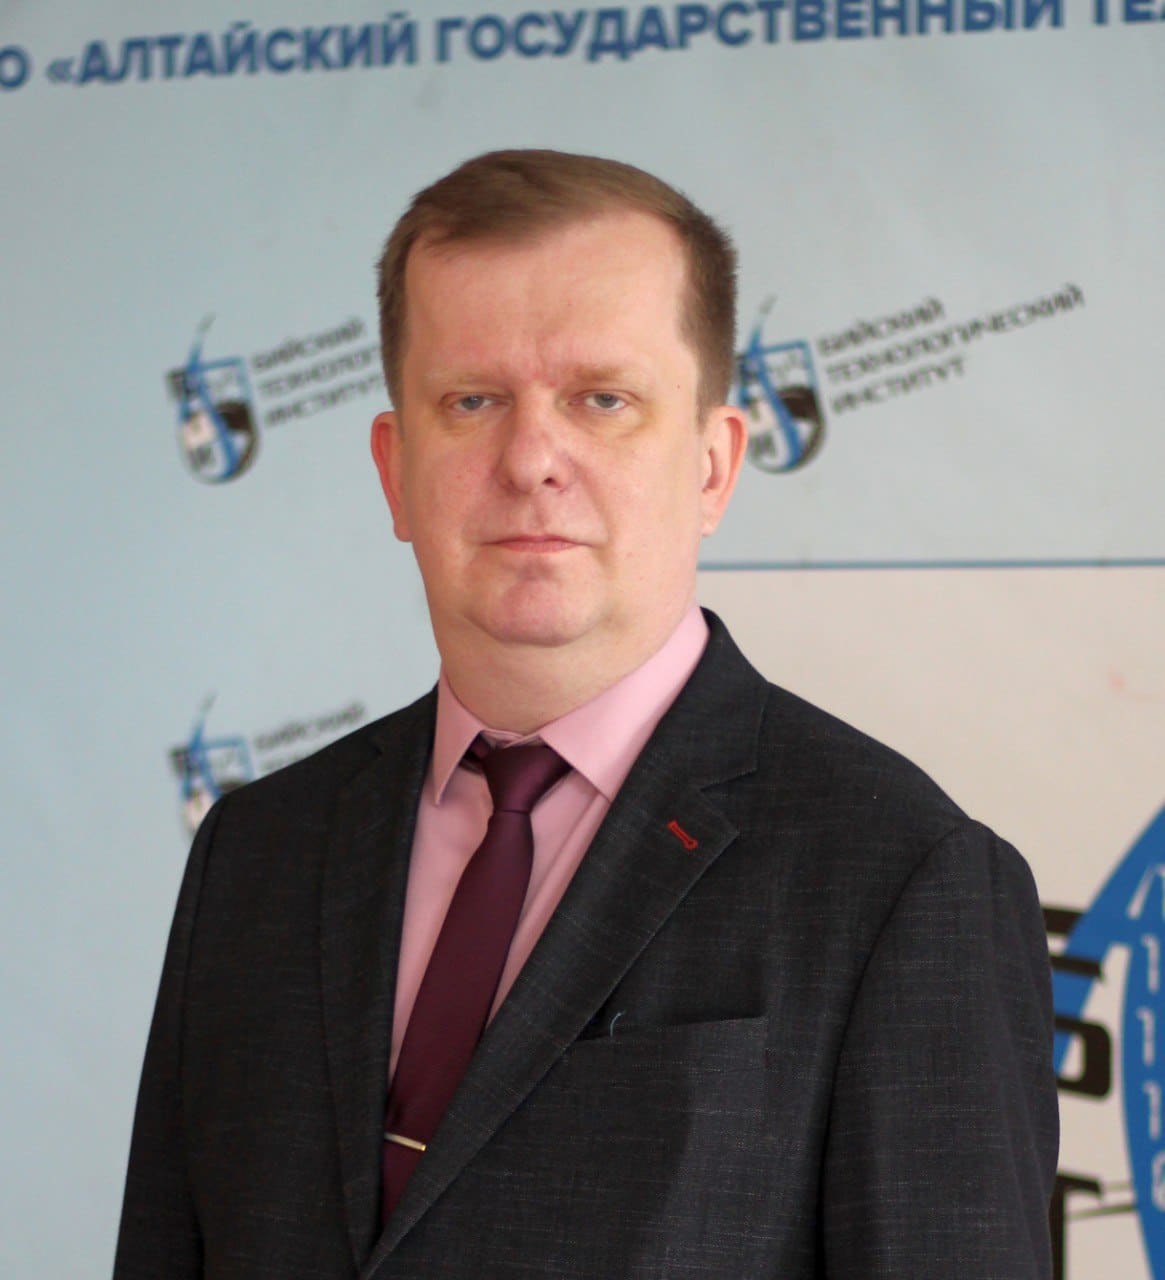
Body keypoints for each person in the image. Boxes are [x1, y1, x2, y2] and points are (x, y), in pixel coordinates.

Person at [114, 149, 1058, 1278]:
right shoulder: (256, 853)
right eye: (472, 401)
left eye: (602, 400)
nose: (529, 460)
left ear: (712, 466)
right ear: (395, 470)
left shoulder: (900, 877)